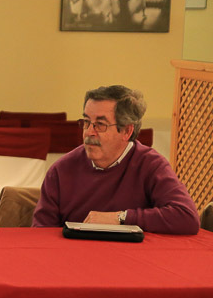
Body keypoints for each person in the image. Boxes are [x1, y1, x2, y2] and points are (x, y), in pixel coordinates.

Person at [32, 85, 199, 234]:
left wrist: (121, 218)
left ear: (126, 131)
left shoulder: (151, 165)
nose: (89, 132)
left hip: (133, 257)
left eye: (100, 124)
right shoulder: (61, 170)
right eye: (86, 122)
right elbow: (40, 235)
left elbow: (186, 217)